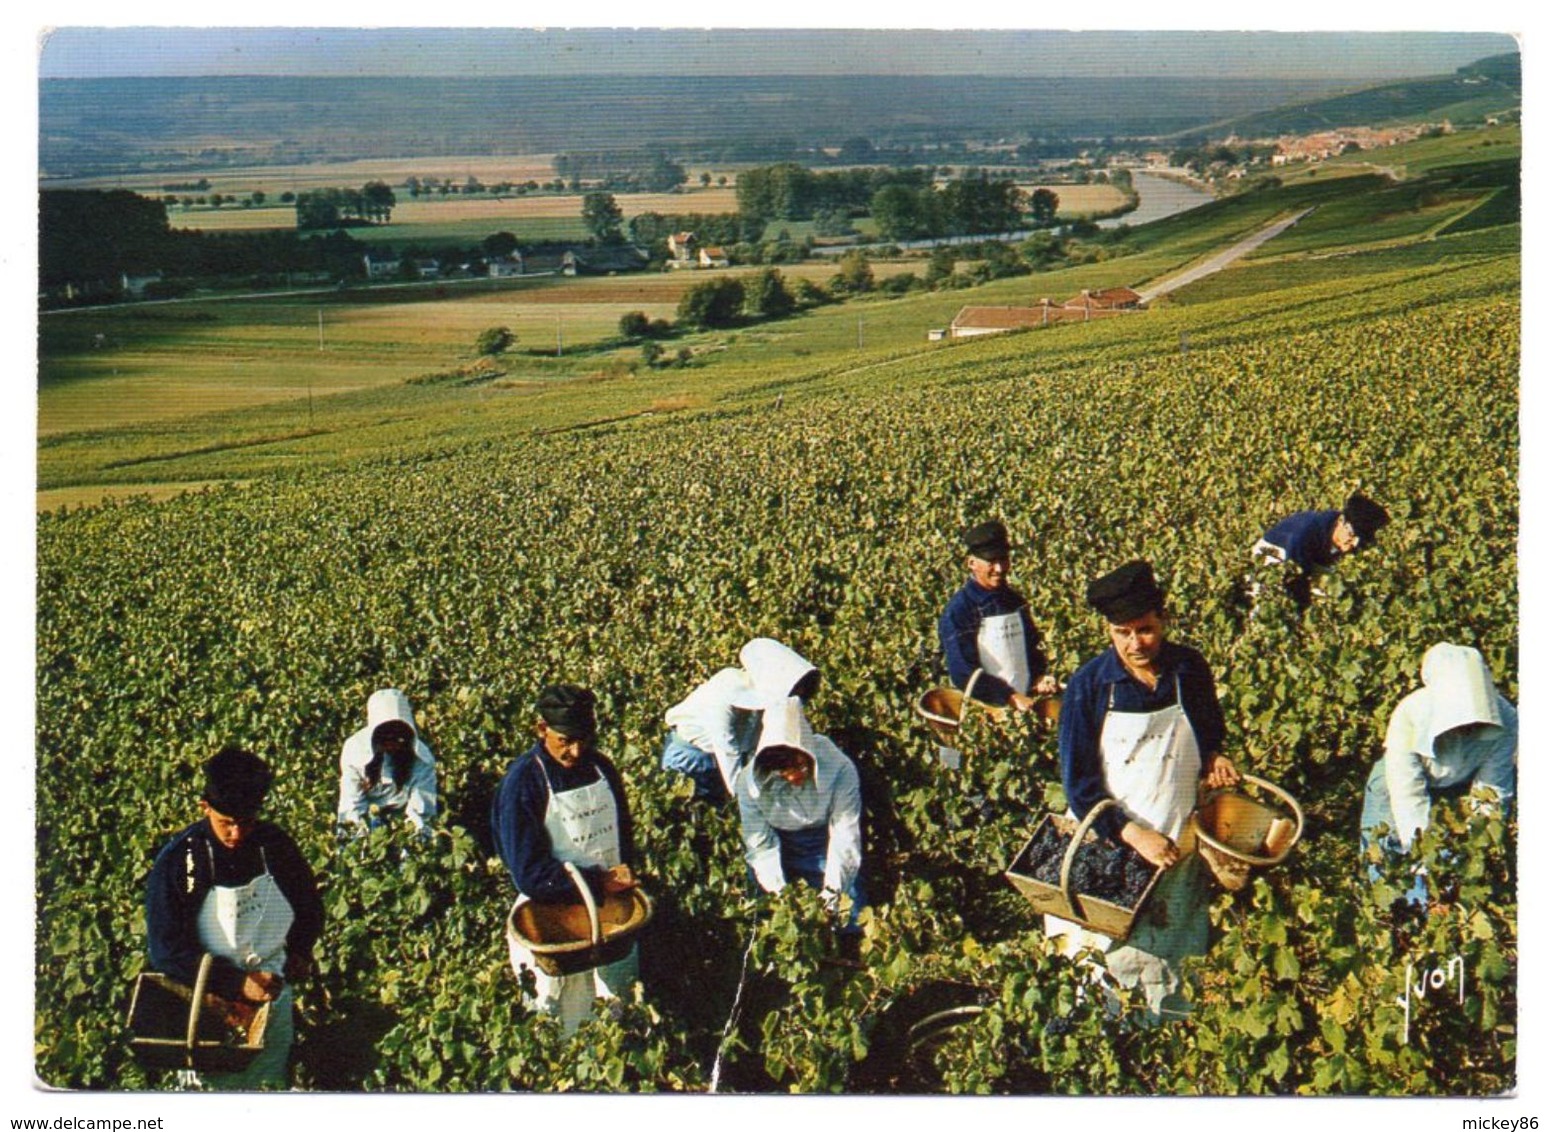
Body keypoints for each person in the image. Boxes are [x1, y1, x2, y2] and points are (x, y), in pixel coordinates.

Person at [1049, 560, 1240, 1020]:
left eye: (1146, 630)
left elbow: (1210, 732)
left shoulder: (1189, 670)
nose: (1135, 644)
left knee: (1173, 949)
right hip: (1114, 845)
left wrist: (1216, 757)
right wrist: (1133, 834)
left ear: (1164, 619)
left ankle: (1167, 1039)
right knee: (1107, 957)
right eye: (1122, 633)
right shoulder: (1090, 686)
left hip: (1179, 840)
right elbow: (1080, 786)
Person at [145, 747, 323, 1090]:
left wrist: (300, 950)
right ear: (205, 807)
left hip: (272, 990)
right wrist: (235, 983)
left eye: (246, 822)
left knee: (269, 1086)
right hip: (210, 1001)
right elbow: (166, 950)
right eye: (226, 823)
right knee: (214, 1094)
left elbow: (309, 905)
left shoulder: (275, 846)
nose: (236, 834)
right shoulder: (180, 860)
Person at [492, 684, 640, 1035]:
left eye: (583, 740)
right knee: (558, 1016)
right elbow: (529, 873)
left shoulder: (601, 768)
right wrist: (596, 882)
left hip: (610, 912)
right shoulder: (524, 783)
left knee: (618, 1009)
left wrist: (625, 872)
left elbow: (622, 830)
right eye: (565, 741)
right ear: (541, 729)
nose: (575, 750)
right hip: (551, 916)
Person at [1361, 642, 1517, 904]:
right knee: (1388, 855)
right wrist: (1424, 866)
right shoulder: (1409, 715)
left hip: (1459, 784)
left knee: (1454, 859)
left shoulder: (1506, 720)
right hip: (1394, 786)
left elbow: (1492, 790)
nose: (1466, 728)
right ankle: (1392, 917)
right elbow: (1407, 796)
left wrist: (1475, 852)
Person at [734, 696, 865, 928]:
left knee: (850, 916)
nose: (794, 776)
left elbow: (845, 837)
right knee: (768, 923)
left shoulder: (840, 769)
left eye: (801, 766)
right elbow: (760, 845)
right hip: (778, 848)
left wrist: (832, 895)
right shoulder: (749, 783)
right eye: (783, 771)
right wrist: (781, 896)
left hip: (824, 846)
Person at [661, 637, 820, 802]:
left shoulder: (766, 699)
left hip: (720, 760)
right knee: (697, 813)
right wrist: (745, 799)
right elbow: (726, 747)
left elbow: (763, 743)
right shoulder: (725, 689)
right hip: (690, 759)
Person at [938, 520, 1059, 713]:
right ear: (972, 563)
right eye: (991, 562)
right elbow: (963, 673)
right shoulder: (960, 610)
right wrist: (1008, 696)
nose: (1000, 569)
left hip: (1023, 707)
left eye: (1003, 559)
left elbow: (1031, 648)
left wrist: (1038, 678)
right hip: (985, 713)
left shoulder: (1014, 601)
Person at [1251, 491, 1389, 606]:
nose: (1353, 544)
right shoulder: (1304, 534)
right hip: (1276, 554)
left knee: (1334, 594)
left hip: (1310, 558)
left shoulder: (1344, 534)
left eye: (1359, 540)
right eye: (1351, 535)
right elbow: (1295, 577)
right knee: (1270, 601)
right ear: (1341, 521)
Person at [337, 687, 438, 837]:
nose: (392, 745)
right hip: (367, 816)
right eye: (386, 738)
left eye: (399, 739)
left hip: (403, 818)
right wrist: (362, 840)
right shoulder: (355, 752)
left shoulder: (422, 760)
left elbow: (421, 809)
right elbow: (352, 805)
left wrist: (410, 838)